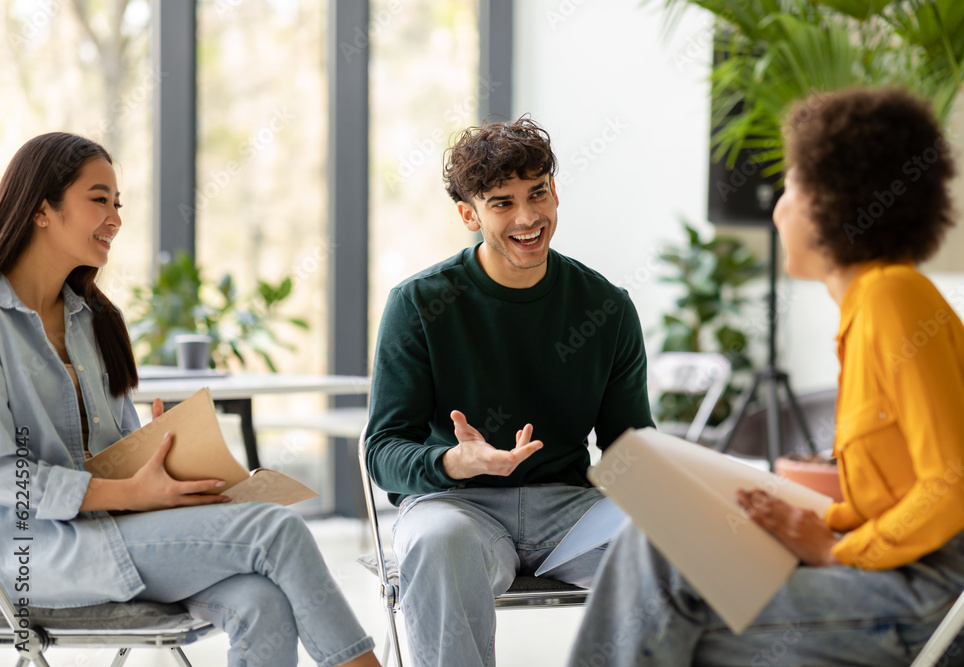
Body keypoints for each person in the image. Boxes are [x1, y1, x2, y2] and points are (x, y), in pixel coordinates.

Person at [568, 87, 964, 666]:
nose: (777, 208)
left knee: (661, 577)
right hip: (920, 581)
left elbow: (954, 486)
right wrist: (815, 524)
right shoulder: (873, 307)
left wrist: (837, 550)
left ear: (837, 199)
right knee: (671, 602)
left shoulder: (892, 298)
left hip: (951, 593)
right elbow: (907, 489)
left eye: (793, 188)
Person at [0, 132, 380, 667]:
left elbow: (117, 450)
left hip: (124, 531)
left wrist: (164, 459)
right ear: (43, 209)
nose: (116, 217)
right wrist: (129, 493)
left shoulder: (93, 320)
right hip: (36, 553)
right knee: (277, 531)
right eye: (99, 199)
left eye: (119, 203)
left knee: (262, 601)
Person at [365, 116, 655, 666]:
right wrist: (454, 461)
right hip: (454, 507)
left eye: (537, 193)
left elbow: (629, 448)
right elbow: (383, 453)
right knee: (436, 542)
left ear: (555, 193)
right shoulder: (418, 305)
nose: (527, 218)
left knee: (674, 545)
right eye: (501, 203)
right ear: (469, 214)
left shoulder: (607, 307)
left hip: (572, 512)